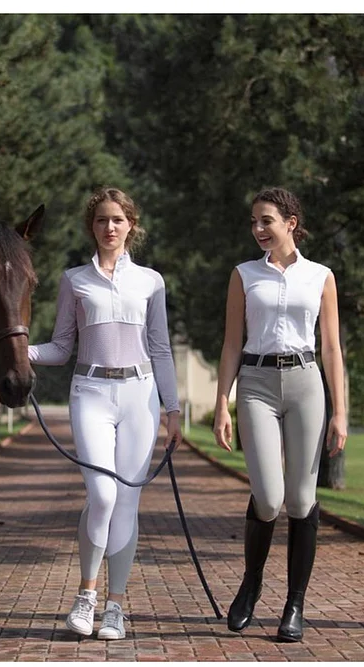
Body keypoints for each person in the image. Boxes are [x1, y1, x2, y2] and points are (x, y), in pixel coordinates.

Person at [29, 187, 182, 640]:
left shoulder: (151, 281)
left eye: (117, 219)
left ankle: (115, 606)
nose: (109, 227)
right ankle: (86, 595)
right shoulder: (74, 279)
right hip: (91, 391)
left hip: (141, 394)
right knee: (103, 495)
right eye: (101, 220)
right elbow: (60, 347)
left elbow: (160, 348)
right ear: (91, 227)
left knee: (128, 502)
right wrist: (19, 349)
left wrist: (172, 409)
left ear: (130, 225)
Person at [212, 187, 346, 643]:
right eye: (253, 222)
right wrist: (221, 404)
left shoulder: (321, 276)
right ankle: (251, 584)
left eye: (266, 220)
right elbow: (232, 343)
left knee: (302, 499)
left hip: (308, 382)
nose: (258, 229)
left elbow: (331, 348)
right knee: (269, 498)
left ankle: (294, 604)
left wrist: (340, 412)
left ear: (291, 222)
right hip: (256, 384)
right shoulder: (244, 275)